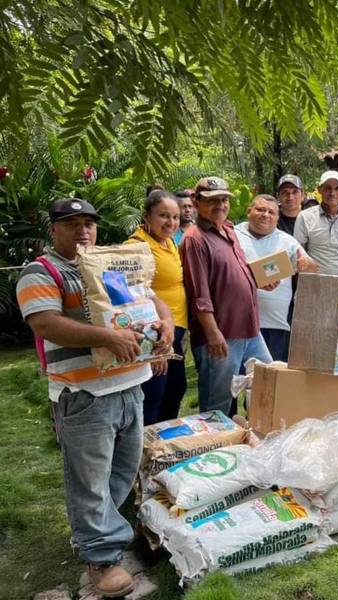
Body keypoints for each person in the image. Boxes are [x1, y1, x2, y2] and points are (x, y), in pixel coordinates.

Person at [17, 199, 174, 598]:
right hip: (84, 394)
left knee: (120, 473)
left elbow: (148, 299)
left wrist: (165, 326)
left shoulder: (110, 260)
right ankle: (100, 559)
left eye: (88, 223)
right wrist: (107, 337)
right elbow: (45, 322)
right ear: (53, 229)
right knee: (89, 482)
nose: (82, 231)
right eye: (71, 224)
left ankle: (108, 536)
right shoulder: (42, 270)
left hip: (129, 386)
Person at [181, 177, 272, 415]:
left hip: (250, 329)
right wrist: (212, 333)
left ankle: (252, 441)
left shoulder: (229, 230)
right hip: (222, 334)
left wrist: (259, 281)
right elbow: (198, 293)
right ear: (196, 202)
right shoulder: (195, 238)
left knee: (271, 385)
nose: (220, 205)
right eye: (212, 201)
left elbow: (232, 273)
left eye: (223, 200)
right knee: (216, 407)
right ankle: (216, 449)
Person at [126, 190, 188, 425]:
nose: (171, 222)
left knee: (175, 389)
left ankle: (162, 448)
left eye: (175, 217)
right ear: (146, 216)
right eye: (164, 216)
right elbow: (132, 297)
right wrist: (151, 347)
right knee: (153, 397)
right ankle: (145, 451)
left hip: (175, 330)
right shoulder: (136, 246)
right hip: (155, 334)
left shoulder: (169, 241)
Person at [235, 195, 317, 361]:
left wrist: (307, 264)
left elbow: (313, 268)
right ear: (249, 211)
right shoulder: (233, 236)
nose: (266, 215)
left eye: (271, 212)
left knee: (269, 379)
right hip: (238, 325)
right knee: (238, 380)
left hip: (275, 325)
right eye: (260, 209)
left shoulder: (288, 241)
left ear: (277, 218)